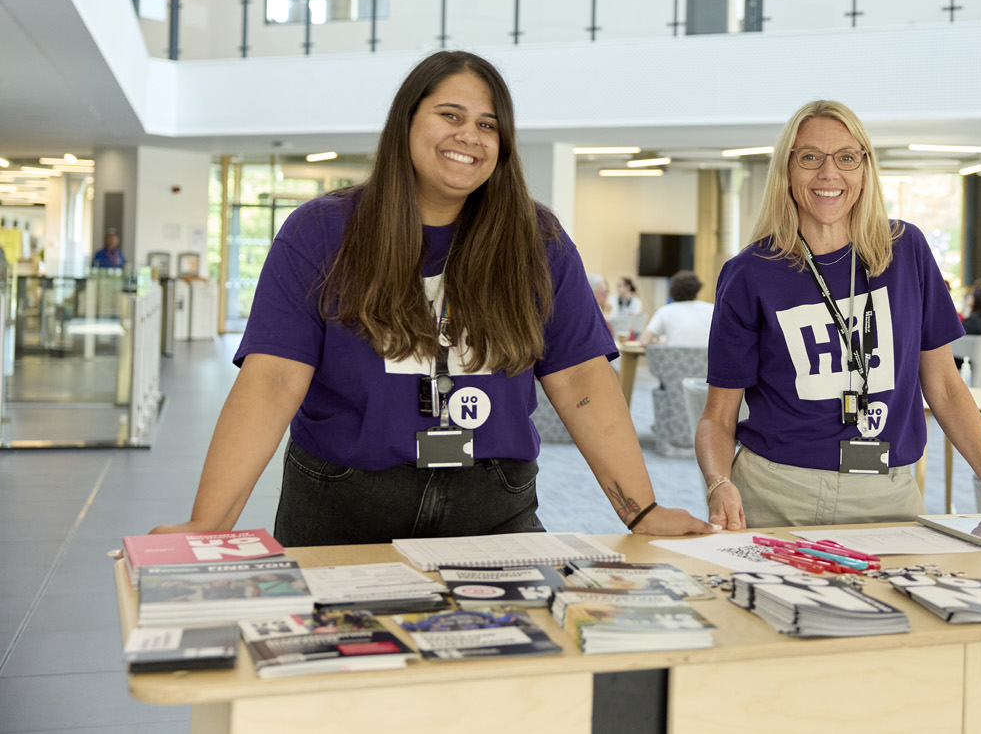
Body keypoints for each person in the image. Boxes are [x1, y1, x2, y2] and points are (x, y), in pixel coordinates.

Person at [151, 50, 711, 545]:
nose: (469, 135)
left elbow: (582, 380)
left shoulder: (536, 242)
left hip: (492, 502)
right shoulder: (321, 231)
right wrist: (208, 526)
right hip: (343, 503)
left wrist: (642, 510)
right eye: (451, 115)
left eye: (488, 124)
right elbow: (272, 380)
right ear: (406, 122)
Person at [694, 99, 981, 529]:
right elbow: (718, 416)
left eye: (846, 157)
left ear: (865, 169)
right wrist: (719, 484)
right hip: (777, 492)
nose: (829, 173)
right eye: (810, 157)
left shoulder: (906, 251)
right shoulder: (749, 272)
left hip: (888, 493)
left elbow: (943, 384)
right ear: (787, 169)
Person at [638, 270, 713, 348]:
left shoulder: (665, 311)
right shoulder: (712, 309)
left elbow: (644, 341)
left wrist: (663, 345)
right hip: (705, 359)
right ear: (697, 290)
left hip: (674, 359)